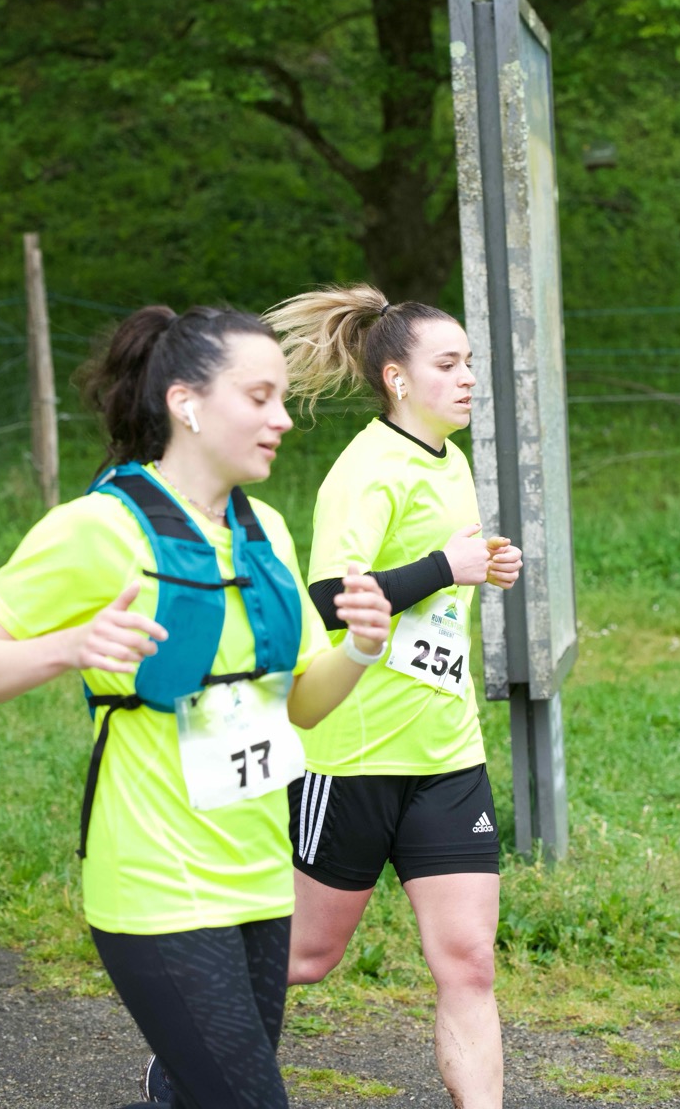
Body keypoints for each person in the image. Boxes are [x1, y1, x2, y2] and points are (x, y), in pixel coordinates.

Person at [0, 305, 391, 1109]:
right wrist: (67, 647)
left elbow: (300, 706)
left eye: (282, 399)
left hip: (259, 875)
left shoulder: (265, 529)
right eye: (259, 397)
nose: (282, 419)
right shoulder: (98, 529)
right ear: (187, 403)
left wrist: (358, 649)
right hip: (156, 879)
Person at [264, 284, 523, 1109]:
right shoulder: (365, 470)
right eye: (447, 364)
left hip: (447, 756)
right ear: (396, 379)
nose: (467, 377)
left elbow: (432, 587)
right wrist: (446, 568)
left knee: (468, 961)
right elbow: (327, 599)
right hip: (355, 755)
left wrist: (479, 567)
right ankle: (188, 1065)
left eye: (469, 362)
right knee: (304, 957)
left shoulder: (452, 461)